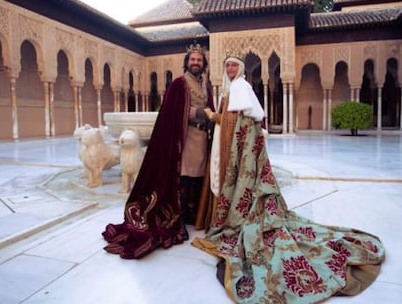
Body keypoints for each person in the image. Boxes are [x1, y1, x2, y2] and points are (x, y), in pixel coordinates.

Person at [192, 51, 385, 303]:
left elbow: (240, 122)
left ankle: (237, 219)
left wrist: (212, 116)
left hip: (239, 148)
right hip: (233, 147)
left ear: (239, 69)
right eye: (226, 66)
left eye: (233, 66)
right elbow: (237, 120)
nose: (229, 70)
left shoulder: (241, 87)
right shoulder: (235, 88)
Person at [102, 43, 215, 259]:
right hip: (185, 137)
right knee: (183, 178)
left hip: (202, 139)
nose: (195, 63)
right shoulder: (179, 84)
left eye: (199, 60)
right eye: (192, 59)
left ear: (204, 64)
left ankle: (192, 214)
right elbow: (176, 109)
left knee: (197, 178)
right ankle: (178, 219)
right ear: (187, 62)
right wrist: (200, 111)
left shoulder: (206, 85)